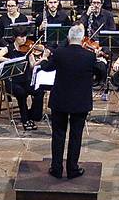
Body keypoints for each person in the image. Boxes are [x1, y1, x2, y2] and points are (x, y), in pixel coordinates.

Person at [38, 25, 96, 179]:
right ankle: (72, 169)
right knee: (76, 136)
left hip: (60, 100)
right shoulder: (89, 56)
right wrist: (102, 61)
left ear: (69, 38)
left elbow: (47, 68)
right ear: (83, 39)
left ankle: (56, 168)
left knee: (58, 134)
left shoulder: (59, 53)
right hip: (80, 102)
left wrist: (44, 58)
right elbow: (100, 73)